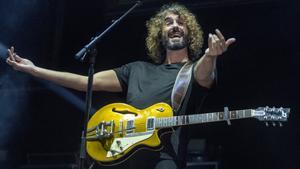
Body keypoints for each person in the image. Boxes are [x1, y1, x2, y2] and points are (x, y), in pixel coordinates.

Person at [6, 3, 235, 169]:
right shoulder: (136, 70)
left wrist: (210, 56)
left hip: (166, 161)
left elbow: (205, 76)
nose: (175, 26)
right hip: (121, 158)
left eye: (180, 23)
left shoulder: (194, 70)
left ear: (189, 32)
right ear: (159, 33)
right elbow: (86, 83)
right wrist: (34, 70)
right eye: (168, 22)